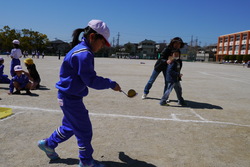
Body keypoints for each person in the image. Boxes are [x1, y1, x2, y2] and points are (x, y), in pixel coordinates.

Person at [37, 19, 121, 167]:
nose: (102, 46)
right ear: (92, 37)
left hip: (67, 96)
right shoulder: (84, 54)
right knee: (84, 130)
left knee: (70, 127)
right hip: (71, 99)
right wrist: (111, 84)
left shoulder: (79, 49)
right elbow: (91, 80)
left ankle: (48, 144)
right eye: (103, 42)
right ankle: (86, 161)